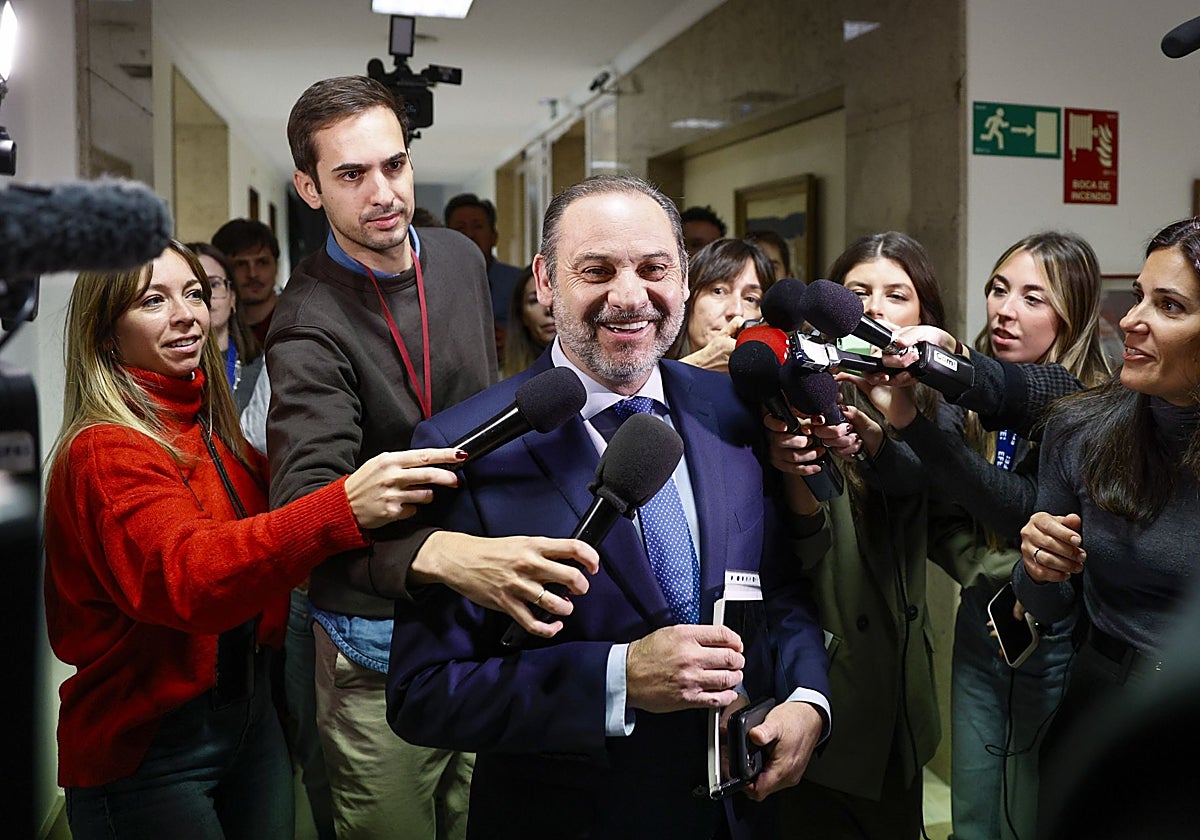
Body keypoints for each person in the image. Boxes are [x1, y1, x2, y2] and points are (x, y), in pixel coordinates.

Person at [387, 174, 831, 839]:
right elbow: (424, 695)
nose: (630, 297)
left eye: (654, 268)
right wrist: (616, 677)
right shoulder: (464, 447)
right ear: (544, 280)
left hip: (738, 811)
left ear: (682, 277)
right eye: (596, 270)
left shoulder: (732, 410)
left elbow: (780, 586)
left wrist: (806, 700)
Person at [42, 240, 465, 839]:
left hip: (248, 721)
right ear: (106, 332)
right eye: (152, 301)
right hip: (151, 747)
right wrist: (340, 506)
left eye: (193, 293)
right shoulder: (106, 451)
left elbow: (274, 514)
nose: (186, 313)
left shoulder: (205, 427)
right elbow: (192, 579)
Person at [270, 76, 596, 840]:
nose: (383, 192)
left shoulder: (454, 256)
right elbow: (306, 513)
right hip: (378, 635)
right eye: (351, 175)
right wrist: (446, 555)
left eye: (394, 165)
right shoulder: (305, 322)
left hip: (480, 616)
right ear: (308, 188)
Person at [882, 233, 1110, 840]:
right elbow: (943, 513)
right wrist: (988, 573)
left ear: (1074, 311)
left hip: (1061, 630)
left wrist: (914, 419)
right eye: (998, 289)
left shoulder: (1091, 402)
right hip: (984, 622)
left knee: (1040, 807)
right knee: (977, 807)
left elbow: (1021, 510)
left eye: (1034, 297)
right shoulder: (966, 397)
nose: (1005, 310)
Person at [1013, 217, 1200, 835]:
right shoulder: (1082, 429)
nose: (1131, 319)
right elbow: (1045, 605)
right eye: (1140, 295)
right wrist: (1037, 567)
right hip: (1102, 700)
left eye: (1168, 305)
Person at [768, 232, 946, 838]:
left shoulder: (933, 406)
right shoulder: (797, 396)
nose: (874, 308)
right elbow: (800, 540)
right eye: (856, 293)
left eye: (897, 294)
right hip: (818, 683)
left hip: (898, 696)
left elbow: (941, 500)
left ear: (922, 316)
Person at [671, 237, 776, 373]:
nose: (736, 311)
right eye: (718, 291)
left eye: (750, 299)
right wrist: (698, 364)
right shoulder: (647, 368)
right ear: (688, 296)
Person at [185, 241, 263, 412]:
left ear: (232, 297)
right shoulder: (167, 370)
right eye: (193, 289)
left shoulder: (263, 369)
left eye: (214, 284)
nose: (206, 296)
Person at [444, 192, 524, 339]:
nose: (470, 235)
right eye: (460, 228)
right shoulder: (436, 286)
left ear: (494, 236)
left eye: (478, 226)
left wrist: (515, 343)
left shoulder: (519, 283)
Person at [212, 218, 283, 347]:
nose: (252, 274)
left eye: (262, 263)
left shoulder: (300, 321)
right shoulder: (213, 325)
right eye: (240, 264)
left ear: (276, 266)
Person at [500, 265, 554, 377]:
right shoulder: (502, 382)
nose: (548, 309)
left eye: (555, 296)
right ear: (522, 315)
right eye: (535, 301)